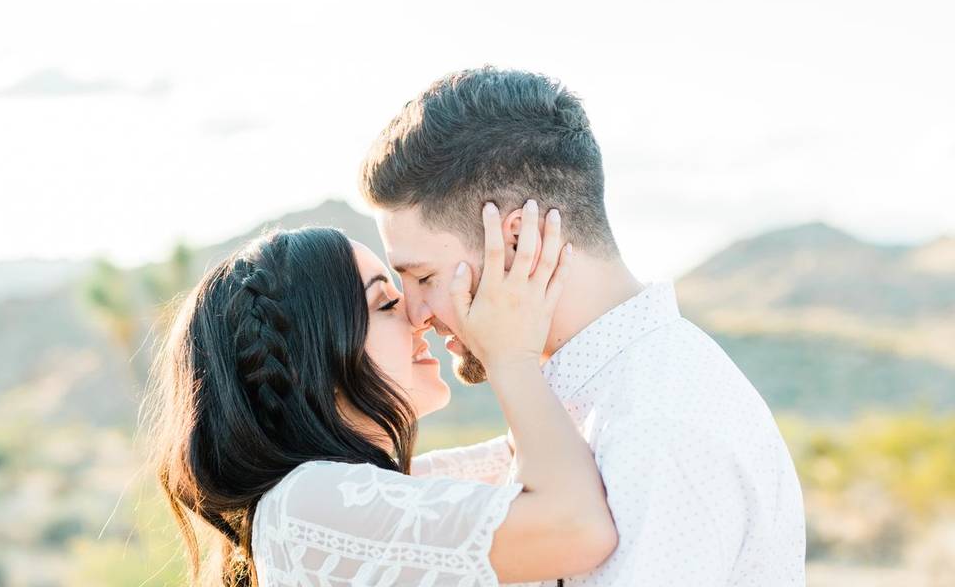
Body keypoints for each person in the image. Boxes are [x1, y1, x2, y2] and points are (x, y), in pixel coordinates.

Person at [359, 66, 807, 585]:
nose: (417, 313)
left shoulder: (658, 427)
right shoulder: (589, 400)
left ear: (517, 239)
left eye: (424, 277)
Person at [144, 211, 617, 586]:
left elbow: (544, 456)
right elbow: (578, 528)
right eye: (386, 304)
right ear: (314, 361)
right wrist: (510, 357)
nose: (419, 318)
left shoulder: (361, 494)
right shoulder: (308, 503)